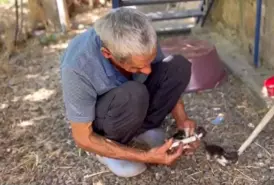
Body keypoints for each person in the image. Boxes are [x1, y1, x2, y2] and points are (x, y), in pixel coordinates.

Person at [60, 7, 200, 177]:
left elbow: (163, 76)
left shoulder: (141, 37)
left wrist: (182, 120)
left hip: (130, 100)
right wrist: (146, 156)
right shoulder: (77, 66)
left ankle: (142, 130)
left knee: (178, 66)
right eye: (137, 66)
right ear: (107, 54)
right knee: (133, 93)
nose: (148, 71)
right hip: (107, 116)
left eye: (149, 61)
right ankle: (109, 149)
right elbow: (83, 137)